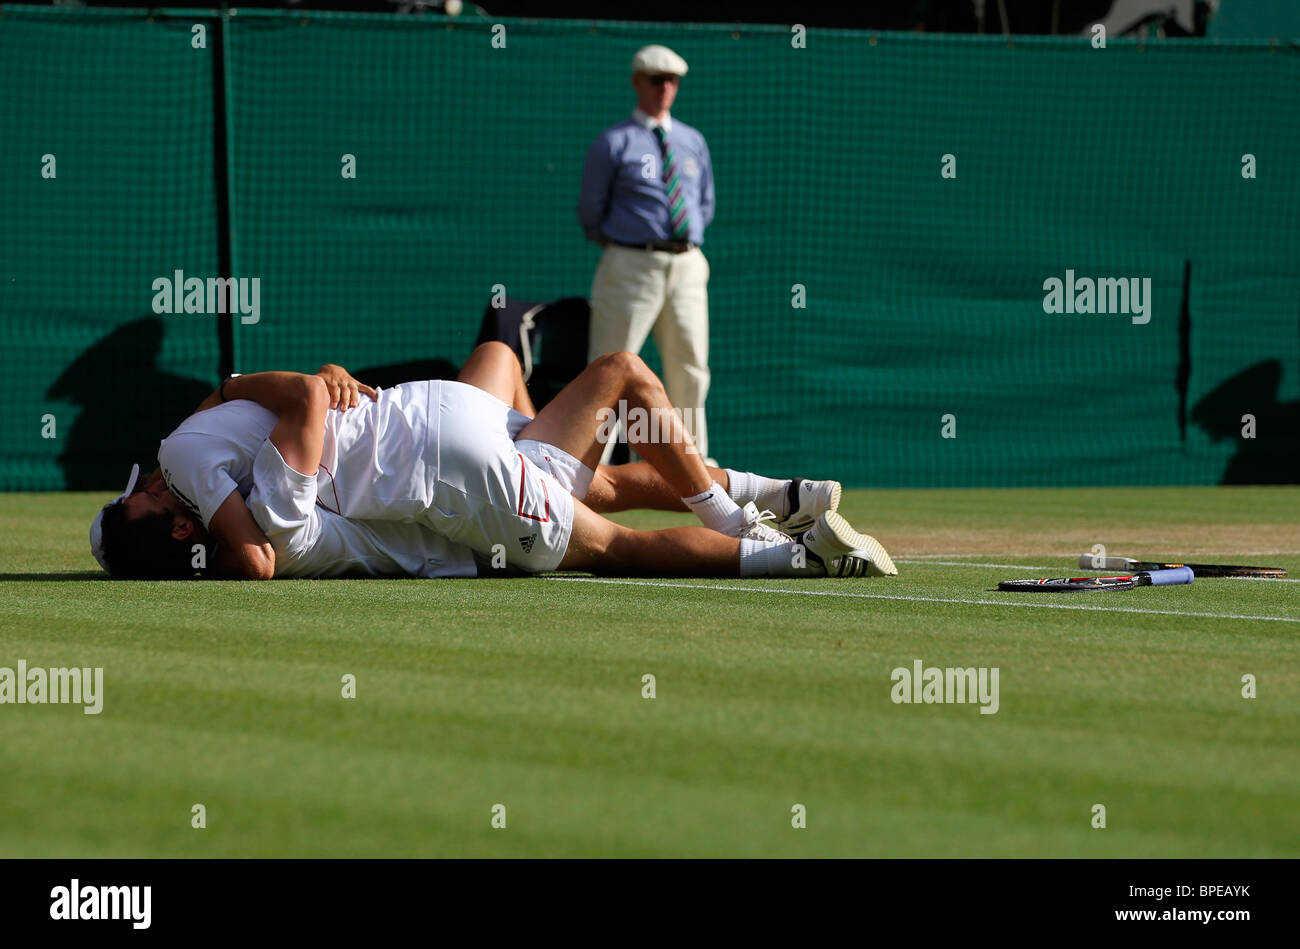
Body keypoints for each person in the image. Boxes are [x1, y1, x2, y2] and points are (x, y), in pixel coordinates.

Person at [92, 347, 894, 581]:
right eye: (143, 501)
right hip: (439, 439)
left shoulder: (212, 475)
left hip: (449, 457)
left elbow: (255, 552)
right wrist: (262, 385)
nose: (150, 485)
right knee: (615, 425)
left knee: (614, 526)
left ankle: (783, 536)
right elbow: (258, 553)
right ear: (160, 526)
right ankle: (778, 516)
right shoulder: (213, 478)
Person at [578, 44, 716, 464]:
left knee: (690, 363)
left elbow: (704, 204)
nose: (665, 88)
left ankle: (694, 466)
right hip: (630, 263)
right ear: (637, 81)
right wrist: (627, 245)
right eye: (657, 80)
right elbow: (590, 211)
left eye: (672, 81)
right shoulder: (614, 141)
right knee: (610, 363)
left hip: (688, 264)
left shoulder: (692, 140)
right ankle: (590, 464)